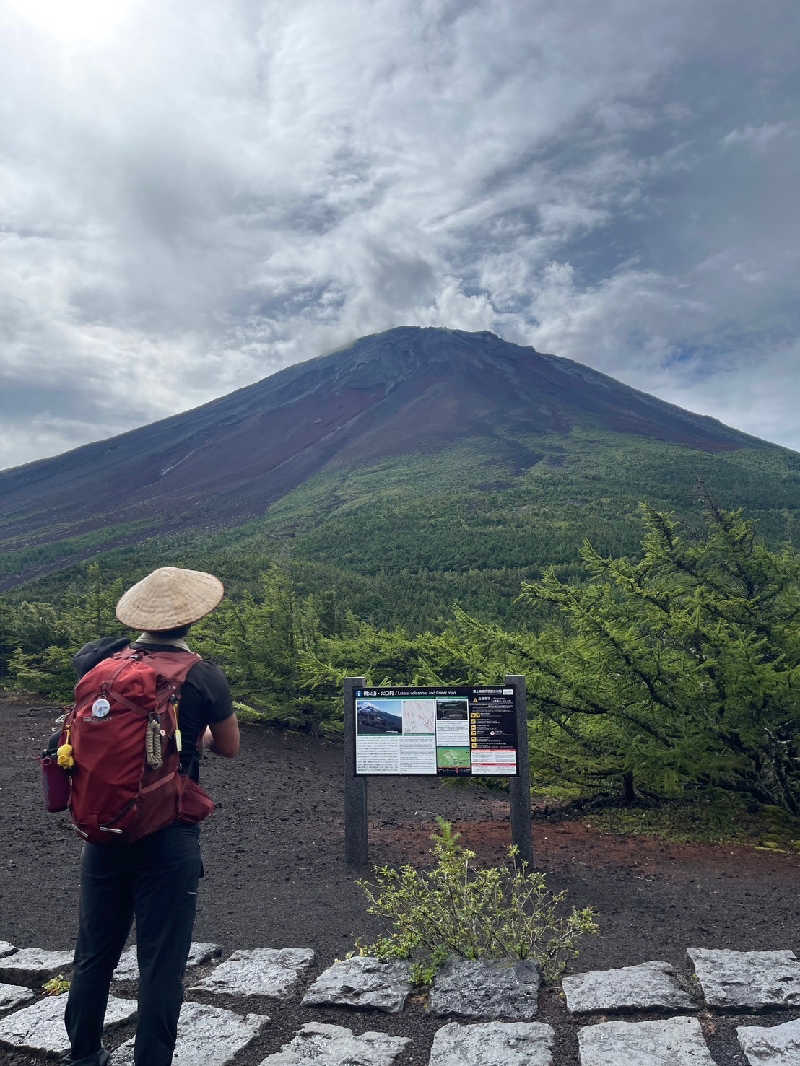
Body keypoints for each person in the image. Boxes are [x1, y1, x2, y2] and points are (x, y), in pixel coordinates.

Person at [62, 567, 239, 1066]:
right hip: (169, 832)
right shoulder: (203, 675)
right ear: (193, 617)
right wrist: (191, 738)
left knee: (94, 951)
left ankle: (83, 1055)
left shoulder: (102, 665)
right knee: (161, 962)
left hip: (104, 826)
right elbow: (228, 747)